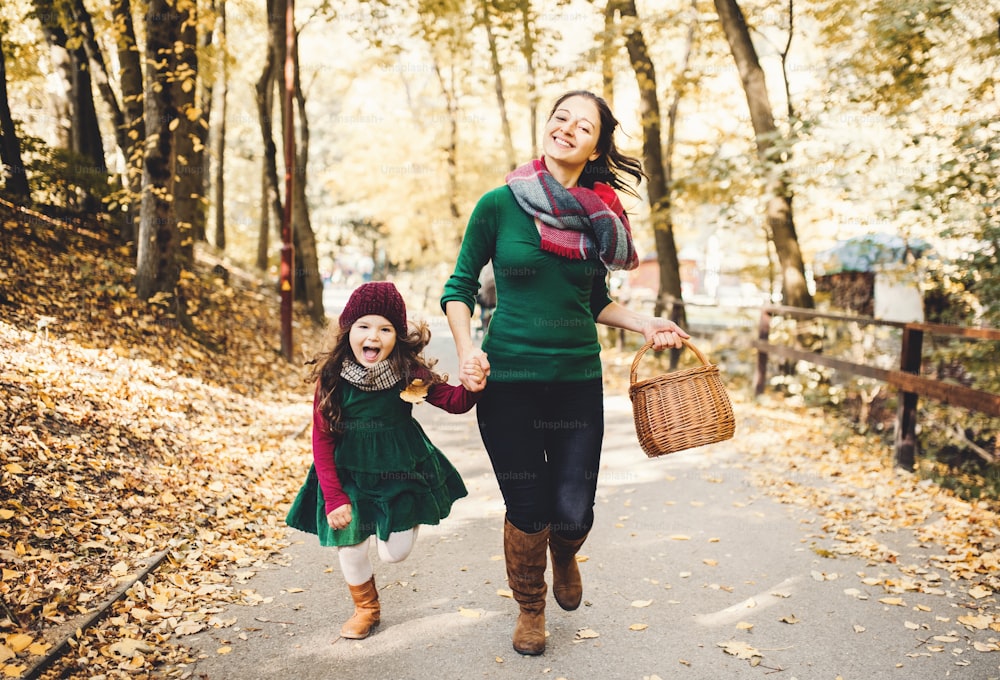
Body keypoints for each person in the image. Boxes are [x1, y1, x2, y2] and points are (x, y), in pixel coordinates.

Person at [440, 90, 689, 656]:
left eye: (584, 126)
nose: (568, 129)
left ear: (597, 145)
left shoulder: (595, 215)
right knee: (529, 507)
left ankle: (566, 551)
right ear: (547, 126)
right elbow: (458, 288)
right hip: (508, 384)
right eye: (561, 118)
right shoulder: (498, 205)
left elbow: (594, 299)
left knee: (573, 510)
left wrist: (644, 322)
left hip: (576, 382)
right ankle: (530, 608)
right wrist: (466, 350)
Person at [286, 281, 483, 640]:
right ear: (348, 331)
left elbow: (454, 402)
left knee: (394, 554)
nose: (372, 335)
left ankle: (399, 520)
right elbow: (321, 437)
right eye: (363, 326)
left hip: (399, 468)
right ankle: (366, 608)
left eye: (385, 328)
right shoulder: (332, 378)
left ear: (397, 336)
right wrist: (333, 496)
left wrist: (472, 386)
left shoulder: (409, 372)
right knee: (350, 543)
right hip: (348, 471)